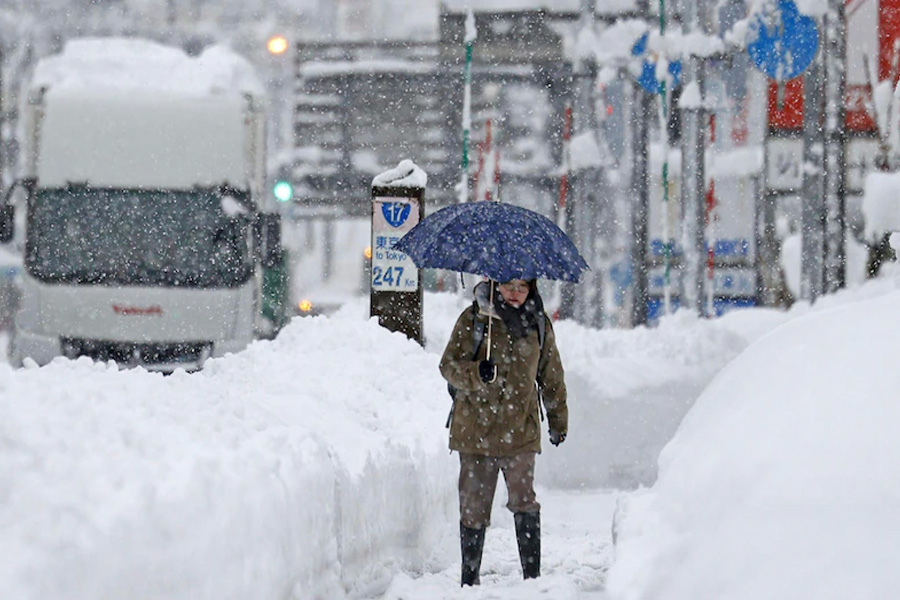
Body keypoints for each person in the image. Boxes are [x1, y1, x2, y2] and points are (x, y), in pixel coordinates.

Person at [440, 277, 568, 586]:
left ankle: (532, 579)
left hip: (520, 432)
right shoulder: (474, 320)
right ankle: (469, 580)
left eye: (522, 288)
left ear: (531, 289)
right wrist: (475, 373)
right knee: (473, 508)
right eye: (508, 286)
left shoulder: (538, 324)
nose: (514, 294)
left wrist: (558, 420)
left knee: (524, 501)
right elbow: (448, 365)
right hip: (474, 432)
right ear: (495, 286)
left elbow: (551, 376)